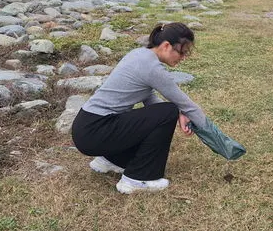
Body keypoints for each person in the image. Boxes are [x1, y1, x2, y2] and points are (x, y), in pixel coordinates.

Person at [71, 22, 206, 194]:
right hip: (97, 130)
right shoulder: (152, 68)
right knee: (169, 110)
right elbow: (186, 104)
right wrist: (215, 136)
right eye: (182, 52)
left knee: (166, 112)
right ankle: (138, 178)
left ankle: (110, 160)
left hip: (86, 126)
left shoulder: (139, 55)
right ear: (166, 46)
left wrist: (179, 114)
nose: (183, 57)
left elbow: (147, 97)